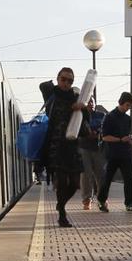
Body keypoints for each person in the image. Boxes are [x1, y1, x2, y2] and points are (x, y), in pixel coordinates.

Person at [41, 68, 88, 228]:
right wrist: (71, 108)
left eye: (70, 81)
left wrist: (82, 107)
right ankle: (62, 216)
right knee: (61, 182)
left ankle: (60, 205)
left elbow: (84, 121)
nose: (66, 83)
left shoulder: (75, 97)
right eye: (64, 79)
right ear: (58, 78)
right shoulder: (52, 95)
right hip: (56, 145)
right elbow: (52, 114)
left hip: (72, 146)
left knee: (75, 183)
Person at [97, 92, 132, 213]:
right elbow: (105, 137)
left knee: (129, 179)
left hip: (126, 153)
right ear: (121, 102)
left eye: (130, 106)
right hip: (112, 154)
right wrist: (120, 139)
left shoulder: (127, 119)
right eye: (127, 105)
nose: (128, 108)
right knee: (107, 179)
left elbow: (127, 137)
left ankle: (130, 204)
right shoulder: (110, 117)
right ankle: (101, 201)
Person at [79, 99, 106, 209]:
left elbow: (105, 128)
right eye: (88, 102)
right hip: (84, 148)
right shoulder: (79, 115)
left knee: (101, 175)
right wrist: (87, 133)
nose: (90, 104)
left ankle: (102, 199)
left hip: (98, 148)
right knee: (86, 174)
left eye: (92, 102)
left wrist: (97, 133)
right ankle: (87, 200)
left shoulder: (102, 115)